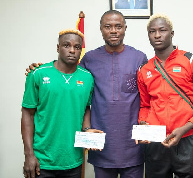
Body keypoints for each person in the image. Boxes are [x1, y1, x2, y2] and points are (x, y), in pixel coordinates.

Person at [26, 10, 147, 178]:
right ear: (100, 29)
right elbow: (69, 75)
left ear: (125, 28)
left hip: (132, 145)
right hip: (100, 144)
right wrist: (38, 69)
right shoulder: (89, 59)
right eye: (108, 26)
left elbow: (149, 95)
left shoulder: (139, 57)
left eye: (118, 26)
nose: (113, 31)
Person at [136, 14, 193, 178]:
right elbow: (145, 105)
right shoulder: (144, 69)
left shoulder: (192, 61)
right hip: (156, 141)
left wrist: (187, 127)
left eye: (162, 30)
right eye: (152, 31)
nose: (157, 35)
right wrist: (143, 123)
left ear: (172, 33)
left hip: (188, 138)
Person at [21, 29, 94, 178]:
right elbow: (27, 114)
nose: (72, 50)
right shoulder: (38, 73)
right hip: (42, 161)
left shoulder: (87, 78)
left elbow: (86, 107)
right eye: (66, 45)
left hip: (73, 159)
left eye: (77, 47)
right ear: (58, 48)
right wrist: (29, 155)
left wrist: (87, 129)